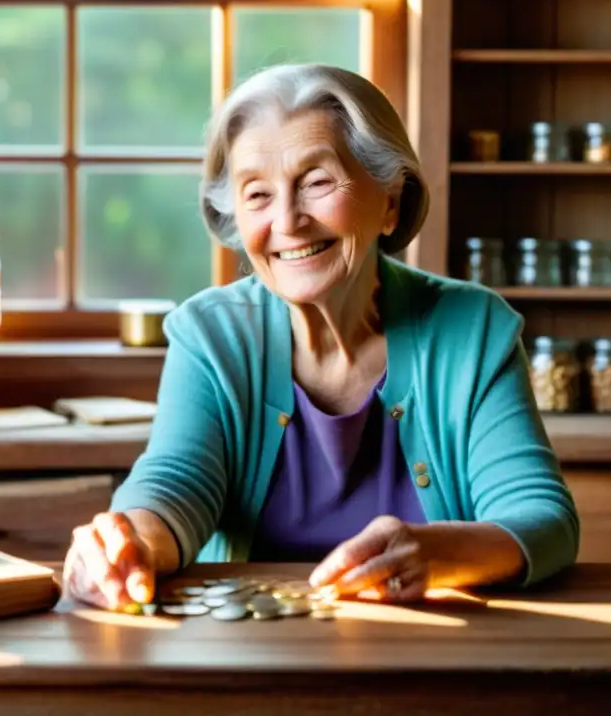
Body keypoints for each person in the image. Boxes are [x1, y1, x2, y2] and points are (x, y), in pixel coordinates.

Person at [63, 63, 579, 609]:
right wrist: (127, 543)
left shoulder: (472, 329)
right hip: (254, 661)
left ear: (389, 202)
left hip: (439, 656)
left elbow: (542, 518)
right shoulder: (209, 335)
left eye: (316, 183)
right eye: (257, 194)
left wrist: (436, 553)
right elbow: (174, 484)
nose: (288, 221)